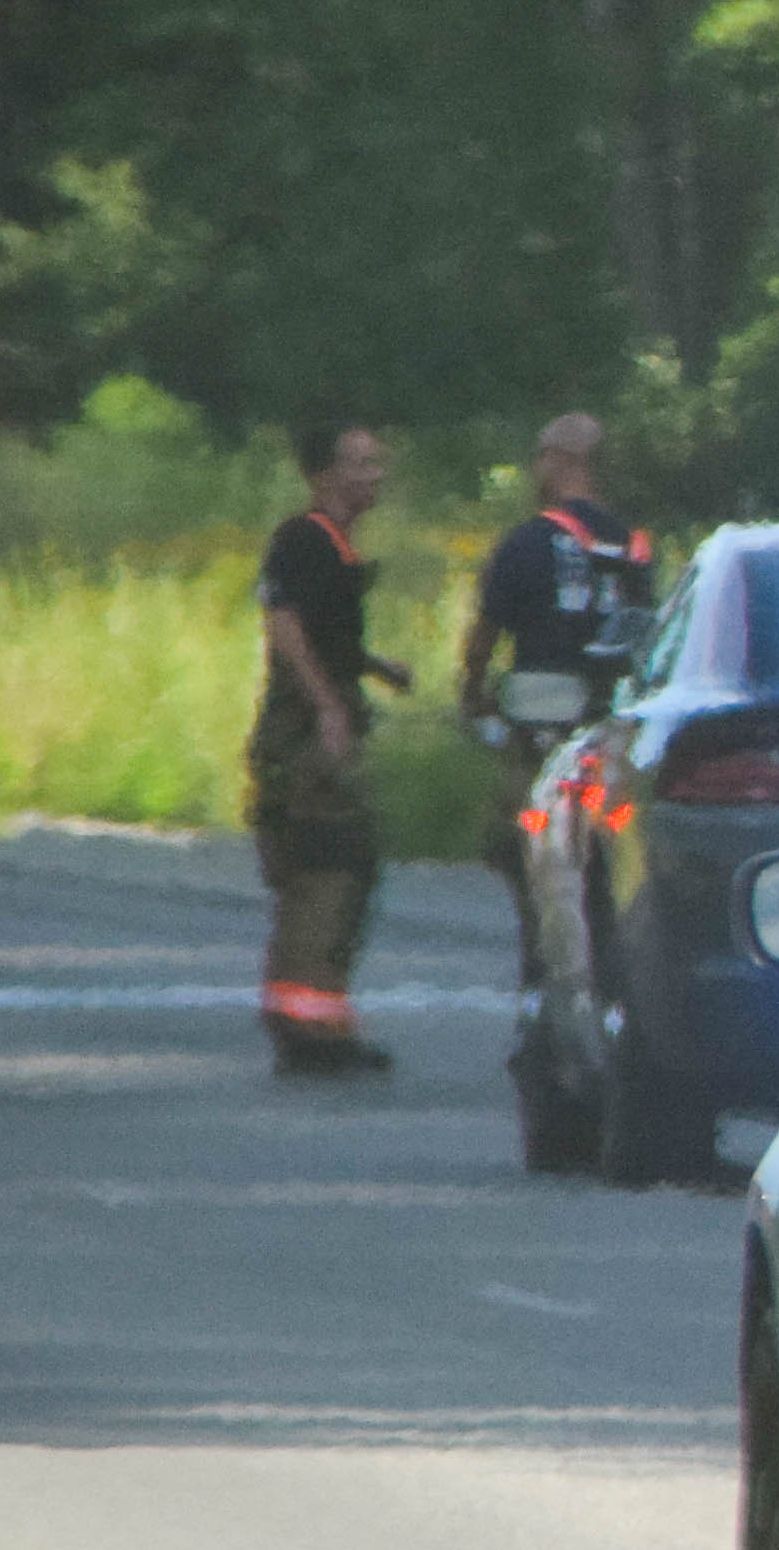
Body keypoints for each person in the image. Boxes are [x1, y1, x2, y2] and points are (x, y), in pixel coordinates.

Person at [458, 413, 654, 980]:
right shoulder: (635, 547)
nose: (536, 469)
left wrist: (471, 692)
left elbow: (485, 633)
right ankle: (612, 965)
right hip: (614, 726)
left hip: (541, 726)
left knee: (526, 845)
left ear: (565, 460)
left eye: (543, 456)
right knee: (611, 852)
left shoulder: (527, 541)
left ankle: (543, 971)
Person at [250, 421, 412, 1075]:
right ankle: (308, 1030)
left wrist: (373, 667)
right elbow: (285, 624)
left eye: (379, 462)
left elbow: (324, 632)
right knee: (327, 865)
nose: (375, 474)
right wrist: (327, 707)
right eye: (360, 463)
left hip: (326, 714)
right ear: (322, 475)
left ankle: (318, 1019)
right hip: (307, 731)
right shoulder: (303, 539)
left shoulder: (334, 545)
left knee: (343, 871)